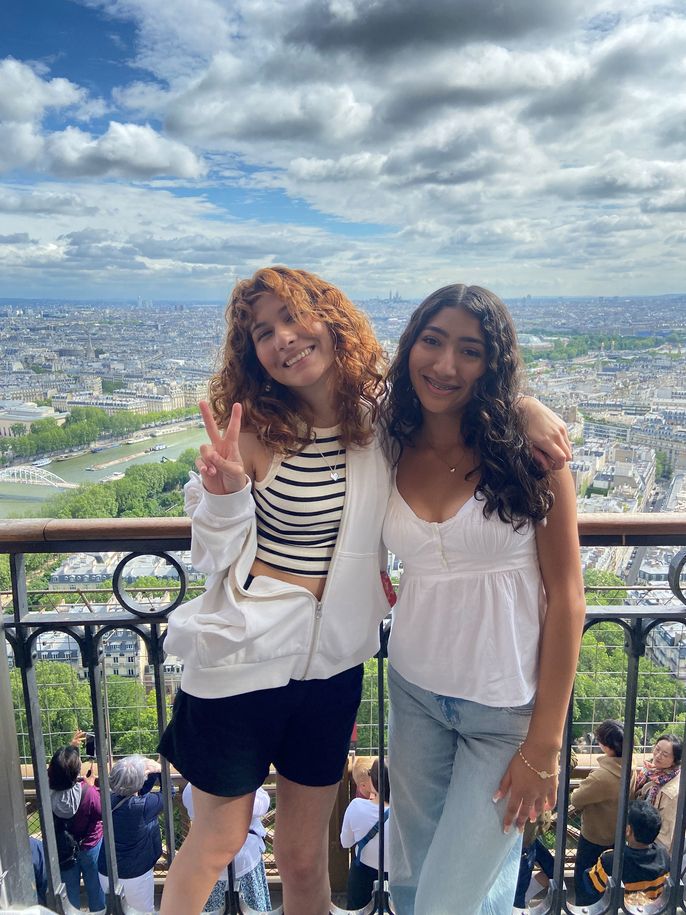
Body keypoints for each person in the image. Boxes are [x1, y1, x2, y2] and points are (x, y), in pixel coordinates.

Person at [157, 266, 571, 915]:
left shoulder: (377, 418)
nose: (284, 339)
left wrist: (524, 405)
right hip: (242, 663)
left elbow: (448, 388)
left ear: (330, 318)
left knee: (301, 858)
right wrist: (223, 493)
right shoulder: (252, 431)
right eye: (264, 331)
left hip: (333, 665)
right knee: (218, 839)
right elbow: (214, 556)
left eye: (294, 318)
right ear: (251, 350)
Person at [381, 283, 587, 915]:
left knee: (447, 899)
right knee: (416, 880)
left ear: (492, 365)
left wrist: (546, 747)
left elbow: (569, 598)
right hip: (413, 690)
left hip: (505, 710)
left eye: (470, 351)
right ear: (411, 344)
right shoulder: (387, 441)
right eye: (433, 341)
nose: (445, 365)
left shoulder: (531, 454)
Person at [182, 781, 272, 912]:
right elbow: (262, 805)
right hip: (245, 855)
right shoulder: (242, 780)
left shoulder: (194, 784)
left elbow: (190, 806)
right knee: (252, 907)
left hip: (209, 856)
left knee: (212, 906)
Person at [97, 755, 164, 913]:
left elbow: (135, 789)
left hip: (107, 871)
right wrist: (160, 771)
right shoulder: (144, 807)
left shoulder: (106, 799)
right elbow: (168, 793)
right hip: (136, 874)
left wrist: (145, 773)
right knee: (143, 912)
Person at [570, 719, 624, 905]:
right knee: (608, 885)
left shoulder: (601, 777)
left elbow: (576, 799)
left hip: (594, 839)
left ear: (606, 746)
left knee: (586, 885)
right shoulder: (629, 769)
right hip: (616, 837)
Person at [48, 743, 105, 912]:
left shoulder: (46, 791)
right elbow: (101, 812)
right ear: (77, 772)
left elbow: (53, 772)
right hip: (90, 846)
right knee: (96, 888)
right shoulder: (88, 792)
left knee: (69, 892)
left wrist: (68, 749)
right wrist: (92, 785)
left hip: (63, 849)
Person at [582, 800, 669, 903]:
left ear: (628, 830)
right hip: (650, 910)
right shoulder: (663, 856)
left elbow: (591, 886)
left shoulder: (611, 860)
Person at [341, 758, 390, 909]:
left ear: (374, 781)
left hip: (363, 875)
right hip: (398, 876)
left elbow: (345, 842)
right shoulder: (407, 812)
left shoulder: (356, 806)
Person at [631, 733, 682, 854]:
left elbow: (666, 834)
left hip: (649, 850)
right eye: (657, 749)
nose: (658, 756)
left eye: (665, 754)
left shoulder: (671, 792)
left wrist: (650, 858)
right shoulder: (651, 770)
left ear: (674, 761)